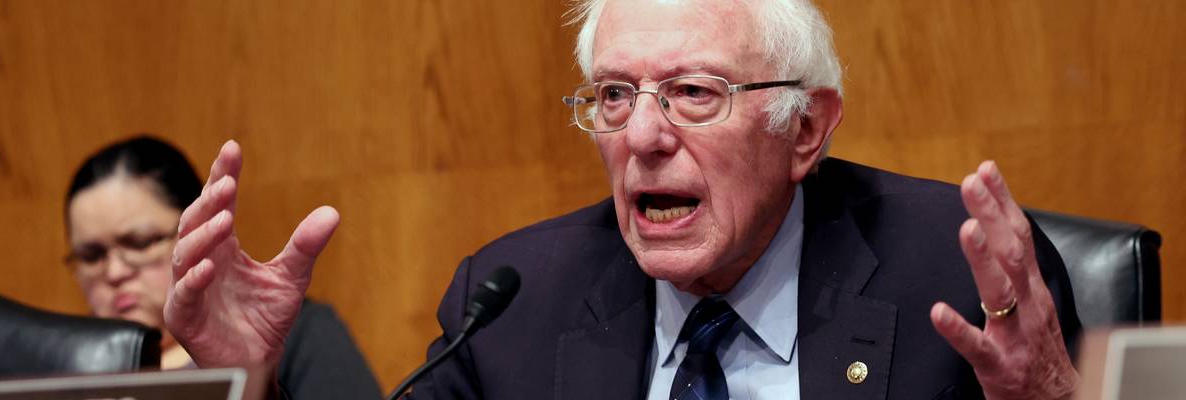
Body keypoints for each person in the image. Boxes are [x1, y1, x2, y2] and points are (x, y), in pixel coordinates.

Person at [165, 0, 1083, 399]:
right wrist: (243, 384)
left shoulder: (956, 272)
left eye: (693, 93)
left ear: (806, 131)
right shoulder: (515, 299)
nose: (642, 137)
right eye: (613, 95)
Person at [63, 136, 382, 399]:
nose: (115, 272)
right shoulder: (66, 365)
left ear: (194, 231)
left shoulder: (285, 335)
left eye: (140, 242)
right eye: (91, 256)